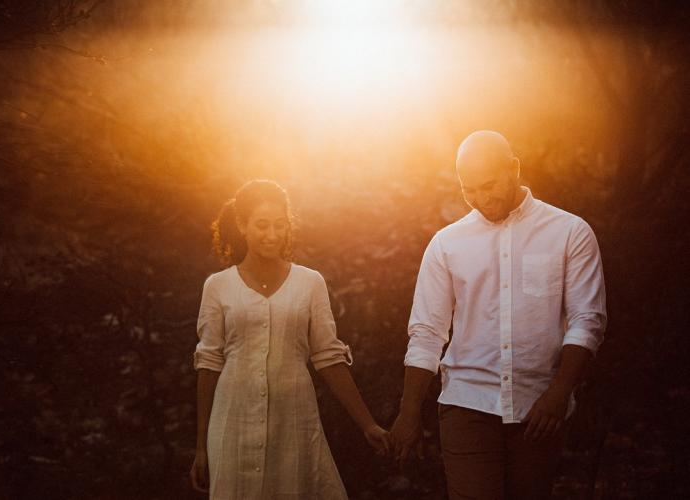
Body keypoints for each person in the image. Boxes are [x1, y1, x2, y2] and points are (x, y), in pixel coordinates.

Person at [390, 131, 607, 499]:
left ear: (514, 169)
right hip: (467, 401)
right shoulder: (447, 244)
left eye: (488, 185)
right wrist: (408, 414)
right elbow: (427, 332)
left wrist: (559, 394)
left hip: (538, 407)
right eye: (468, 189)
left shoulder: (570, 233)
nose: (480, 199)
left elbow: (587, 321)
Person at [190, 179, 389, 499]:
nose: (272, 235)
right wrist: (201, 447)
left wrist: (367, 424)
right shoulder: (218, 286)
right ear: (242, 225)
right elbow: (209, 363)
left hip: (294, 419)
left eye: (280, 225)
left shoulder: (310, 283)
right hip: (233, 420)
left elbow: (328, 357)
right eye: (262, 225)